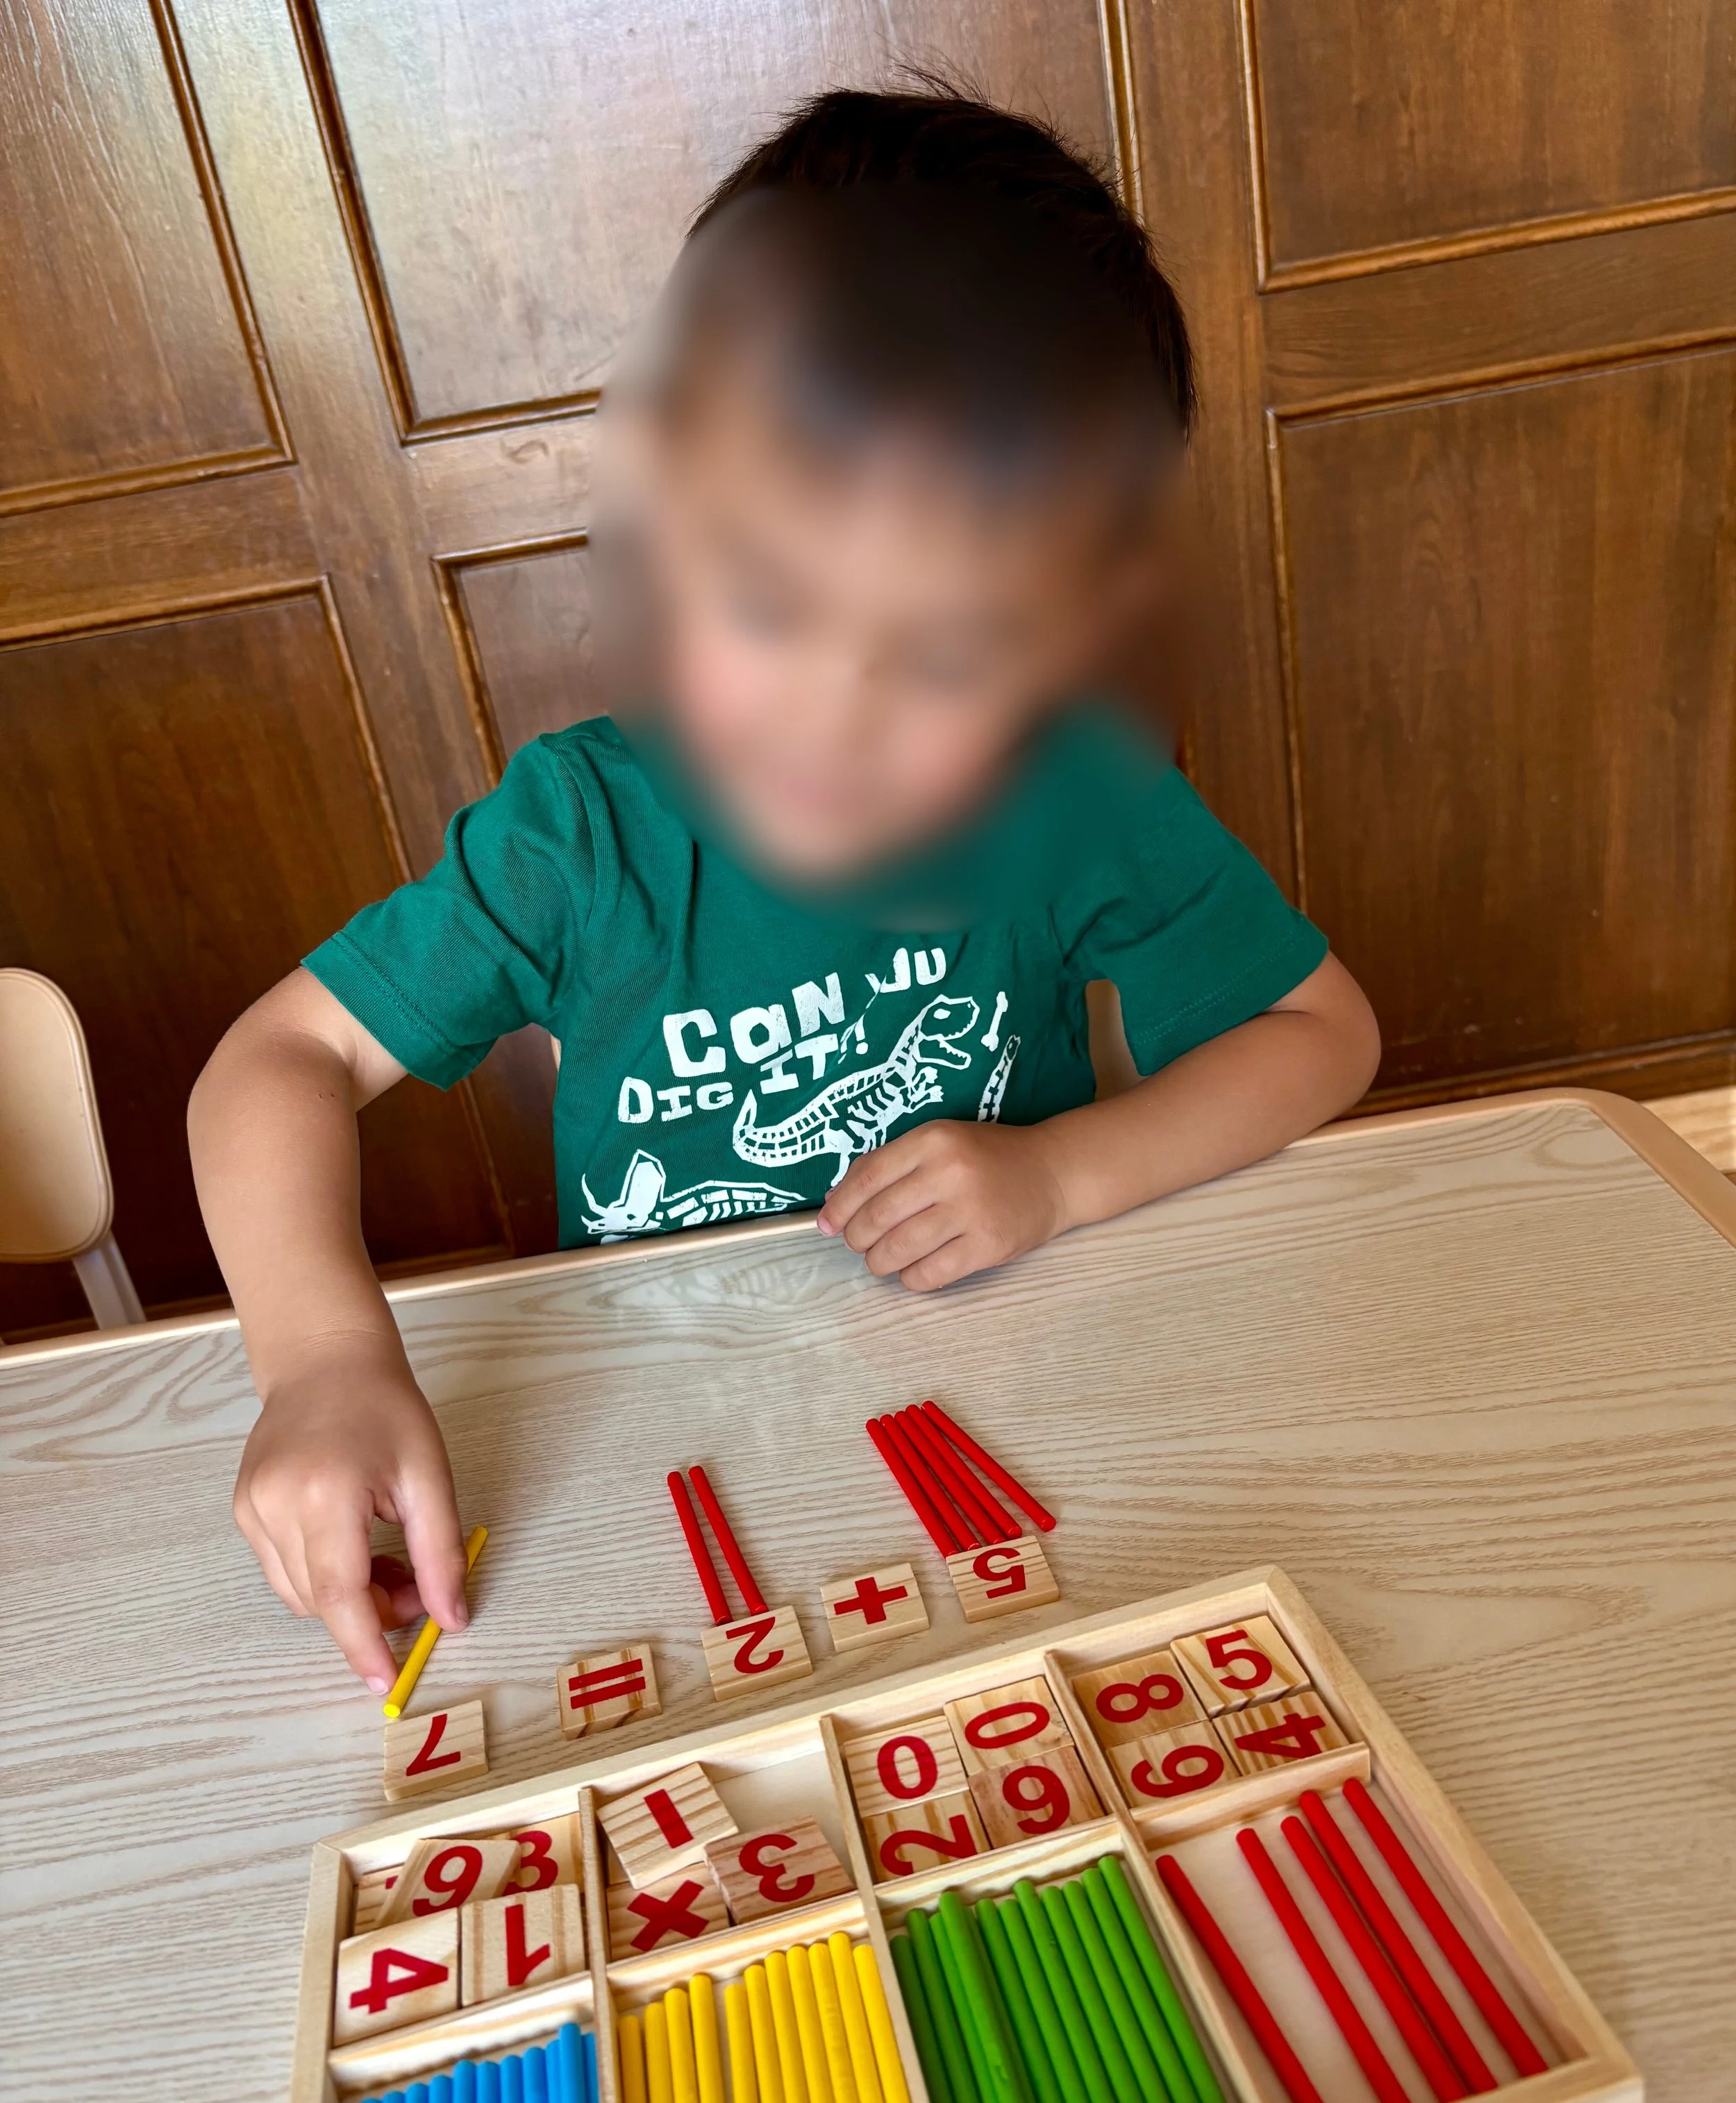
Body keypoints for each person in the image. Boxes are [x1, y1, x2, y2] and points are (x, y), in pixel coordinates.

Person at [189, 85, 1380, 1689]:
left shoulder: (1073, 789)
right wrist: (321, 1357)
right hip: (646, 1477)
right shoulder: (580, 833)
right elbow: (282, 1064)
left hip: (1012, 1431)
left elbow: (1321, 1032)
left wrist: (1059, 1177)